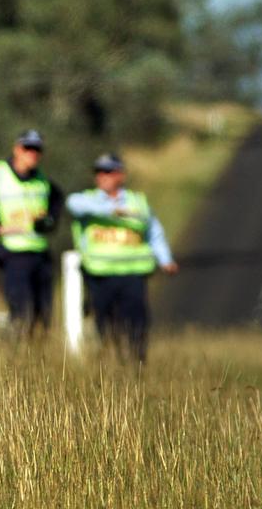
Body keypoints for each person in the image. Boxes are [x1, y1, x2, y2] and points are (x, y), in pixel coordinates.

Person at [66, 152, 178, 364]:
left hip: (133, 273)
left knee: (137, 322)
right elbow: (73, 204)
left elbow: (154, 232)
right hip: (100, 273)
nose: (102, 176)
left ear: (120, 175)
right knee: (105, 323)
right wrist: (112, 210)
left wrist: (165, 260)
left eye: (108, 171)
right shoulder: (87, 200)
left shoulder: (138, 202)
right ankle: (110, 362)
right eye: (98, 172)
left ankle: (136, 363)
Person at [0, 129, 64, 332]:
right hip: (13, 254)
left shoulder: (41, 179)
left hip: (40, 253)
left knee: (44, 318)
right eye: (28, 148)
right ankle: (17, 359)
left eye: (37, 149)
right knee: (22, 314)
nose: (32, 153)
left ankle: (40, 360)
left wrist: (50, 221)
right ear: (17, 149)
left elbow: (57, 198)